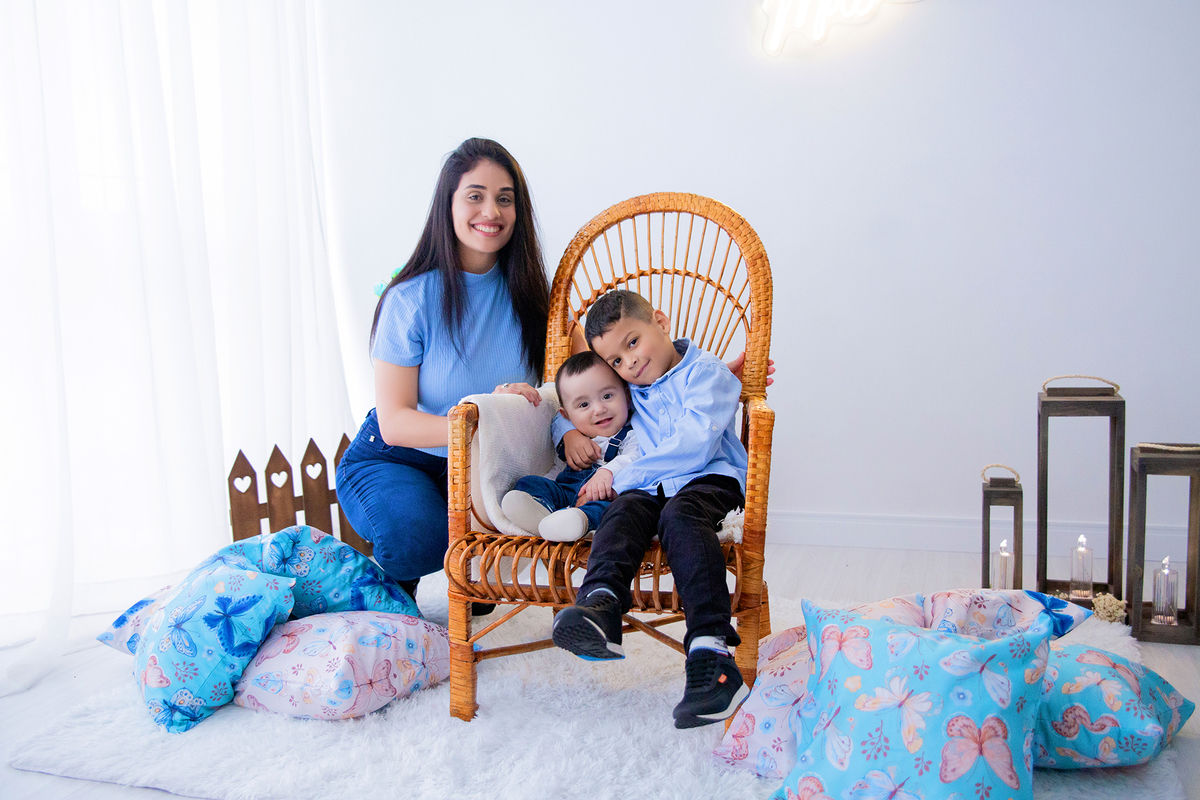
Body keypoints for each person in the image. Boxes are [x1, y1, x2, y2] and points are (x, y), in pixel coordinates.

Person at [335, 138, 554, 613]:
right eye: (475, 195)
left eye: (504, 198)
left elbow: (588, 374)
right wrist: (486, 418)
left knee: (484, 589)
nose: (491, 211)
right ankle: (382, 586)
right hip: (399, 458)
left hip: (483, 466)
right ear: (448, 206)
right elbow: (396, 422)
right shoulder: (409, 299)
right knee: (418, 537)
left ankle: (448, 549)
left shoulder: (536, 299)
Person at [550, 289, 749, 729]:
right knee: (624, 512)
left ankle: (713, 653)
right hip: (654, 486)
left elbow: (695, 446)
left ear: (660, 321)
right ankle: (601, 605)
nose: (631, 362)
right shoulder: (631, 388)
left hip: (711, 479)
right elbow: (575, 397)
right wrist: (559, 422)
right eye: (617, 360)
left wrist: (619, 477)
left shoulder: (706, 373)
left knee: (678, 515)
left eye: (633, 342)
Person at [501, 351, 640, 542]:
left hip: (601, 500)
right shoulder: (572, 436)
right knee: (529, 483)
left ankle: (577, 522)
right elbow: (557, 465)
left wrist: (607, 471)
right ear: (566, 415)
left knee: (610, 510)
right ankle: (542, 513)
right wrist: (548, 485)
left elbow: (634, 458)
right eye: (584, 405)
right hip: (565, 493)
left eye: (607, 396)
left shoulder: (632, 434)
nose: (599, 409)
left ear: (627, 395)